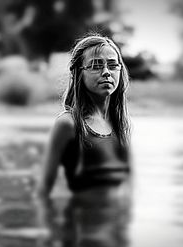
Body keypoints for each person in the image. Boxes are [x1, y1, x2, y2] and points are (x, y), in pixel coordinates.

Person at [39, 33, 132, 200]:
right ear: (78, 73)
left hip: (114, 224)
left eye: (112, 65)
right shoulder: (68, 124)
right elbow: (43, 191)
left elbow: (126, 189)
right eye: (96, 66)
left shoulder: (120, 123)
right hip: (81, 224)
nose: (106, 72)